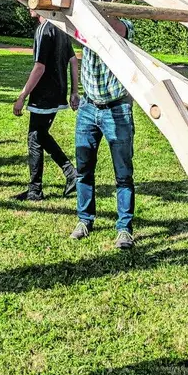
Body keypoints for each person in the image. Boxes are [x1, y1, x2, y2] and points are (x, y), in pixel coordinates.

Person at [69, 15, 137, 249]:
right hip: (88, 107)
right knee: (83, 169)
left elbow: (117, 28)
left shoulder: (124, 25)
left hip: (117, 108)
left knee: (123, 174)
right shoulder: (83, 24)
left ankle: (124, 229)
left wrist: (97, 4)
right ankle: (84, 220)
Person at [11, 12, 80, 201]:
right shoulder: (61, 27)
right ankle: (69, 174)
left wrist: (22, 95)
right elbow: (73, 60)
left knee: (35, 138)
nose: (28, 7)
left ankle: (36, 190)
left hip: (44, 94)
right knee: (41, 135)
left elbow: (39, 67)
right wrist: (74, 91)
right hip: (57, 93)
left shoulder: (44, 29)